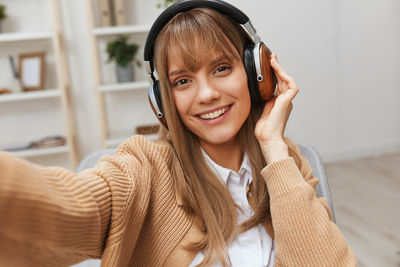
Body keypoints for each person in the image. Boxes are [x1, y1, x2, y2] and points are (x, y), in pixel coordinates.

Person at [0, 0, 356, 266]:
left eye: (221, 68)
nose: (206, 94)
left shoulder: (288, 161)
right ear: (162, 100)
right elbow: (71, 207)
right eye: (182, 81)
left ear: (256, 73)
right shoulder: (144, 168)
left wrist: (273, 147)